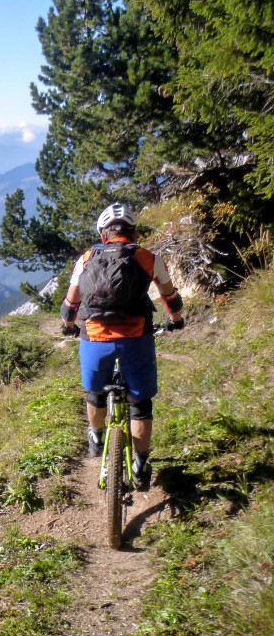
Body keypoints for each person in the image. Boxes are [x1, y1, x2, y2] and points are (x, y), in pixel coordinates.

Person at [59, 203, 184, 490]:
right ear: (134, 232)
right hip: (136, 338)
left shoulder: (87, 257)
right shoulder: (147, 257)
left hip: (95, 337)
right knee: (140, 403)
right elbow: (170, 296)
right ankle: (140, 464)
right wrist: (175, 320)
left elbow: (70, 304)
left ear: (104, 235)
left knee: (95, 391)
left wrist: (68, 325)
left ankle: (96, 434)